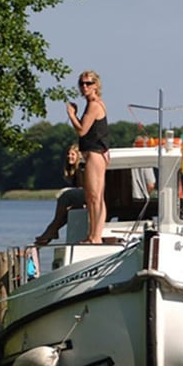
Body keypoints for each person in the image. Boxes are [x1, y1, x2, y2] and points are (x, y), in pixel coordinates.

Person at [67, 70, 109, 244]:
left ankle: (95, 236)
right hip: (94, 153)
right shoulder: (93, 103)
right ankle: (93, 234)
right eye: (82, 84)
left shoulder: (94, 105)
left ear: (96, 85)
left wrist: (71, 115)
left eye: (89, 83)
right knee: (93, 196)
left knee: (94, 196)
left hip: (95, 153)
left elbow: (82, 130)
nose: (85, 87)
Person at [35, 144, 86, 245]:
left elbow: (83, 189)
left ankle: (52, 230)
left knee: (65, 195)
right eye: (68, 154)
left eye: (72, 154)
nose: (69, 156)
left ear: (78, 156)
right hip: (84, 199)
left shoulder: (81, 169)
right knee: (66, 212)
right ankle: (51, 232)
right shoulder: (74, 171)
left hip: (88, 197)